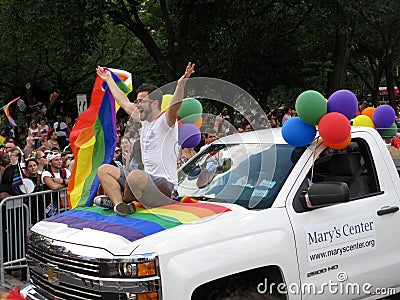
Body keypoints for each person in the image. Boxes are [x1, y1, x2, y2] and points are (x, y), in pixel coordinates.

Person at [95, 62, 195, 215]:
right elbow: (124, 102)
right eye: (137, 101)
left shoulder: (165, 122)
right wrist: (108, 78)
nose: (137, 105)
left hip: (165, 187)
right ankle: (119, 205)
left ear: (154, 103)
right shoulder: (143, 120)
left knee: (135, 176)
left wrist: (181, 83)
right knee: (104, 170)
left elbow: (175, 106)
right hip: (142, 183)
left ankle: (124, 199)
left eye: (140, 101)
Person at [41, 151, 70, 216]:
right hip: (53, 207)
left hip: (66, 206)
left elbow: (74, 182)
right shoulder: (46, 173)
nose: (59, 161)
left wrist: (62, 181)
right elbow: (54, 187)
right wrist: (67, 183)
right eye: (56, 160)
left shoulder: (65, 171)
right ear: (50, 162)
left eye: (60, 159)